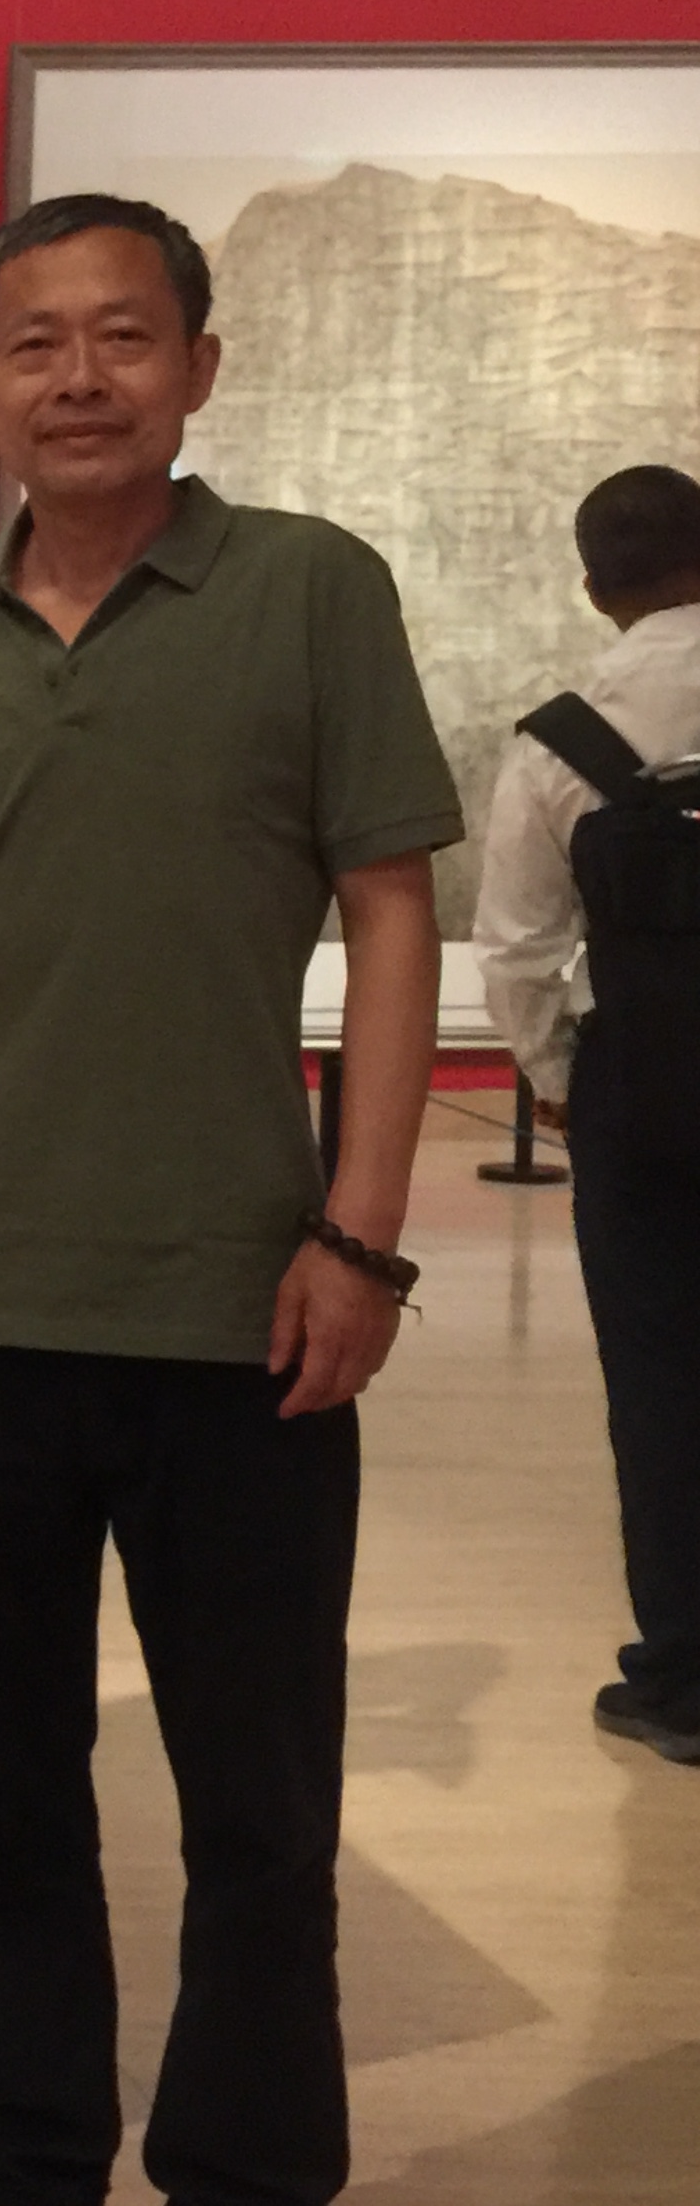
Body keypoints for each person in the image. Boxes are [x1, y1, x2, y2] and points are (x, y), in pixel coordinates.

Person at [0, 192, 456, 2206]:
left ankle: (246, 2164)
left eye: (123, 336)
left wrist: (359, 1233)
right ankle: (23, 2148)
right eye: (36, 343)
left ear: (198, 368)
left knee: (259, 1810)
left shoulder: (308, 590)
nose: (79, 377)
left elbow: (389, 912)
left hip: (238, 1320)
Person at [472, 463, 700, 1766]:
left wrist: (558, 1082)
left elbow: (516, 950)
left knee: (660, 1381)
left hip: (648, 1095)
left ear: (593, 588)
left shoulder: (565, 742)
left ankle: (681, 1680)